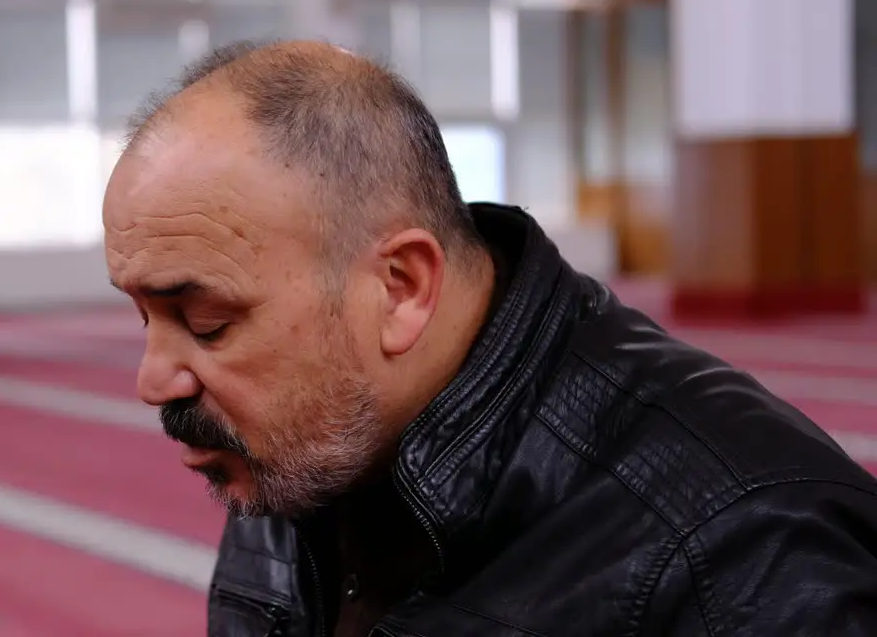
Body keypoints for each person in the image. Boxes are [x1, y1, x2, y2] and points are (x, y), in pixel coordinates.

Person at [101, 39, 877, 637]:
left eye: (208, 323)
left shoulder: (741, 548)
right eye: (143, 317)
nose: (154, 379)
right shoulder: (306, 446)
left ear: (400, 289)